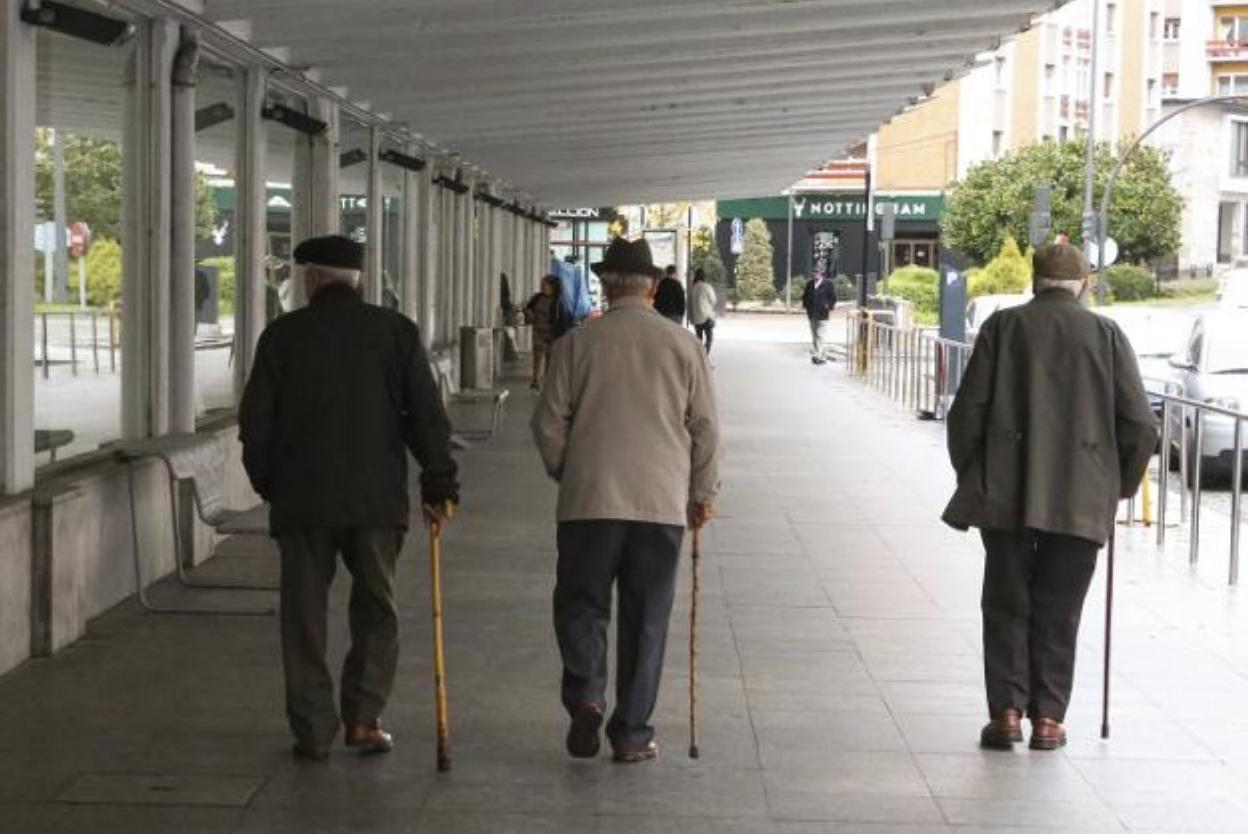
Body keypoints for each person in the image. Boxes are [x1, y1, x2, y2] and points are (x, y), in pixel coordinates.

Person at [239, 234, 459, 761]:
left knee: (304, 617)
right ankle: (363, 720)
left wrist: (272, 485)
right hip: (375, 503)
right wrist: (438, 485)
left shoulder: (282, 337)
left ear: (312, 278)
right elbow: (425, 417)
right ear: (358, 279)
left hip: (303, 503)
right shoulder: (395, 333)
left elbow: (255, 426)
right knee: (377, 608)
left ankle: (313, 730)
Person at [941, 243, 1157, 752]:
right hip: (1082, 496)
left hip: (1006, 493)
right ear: (1082, 284)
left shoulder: (1002, 328)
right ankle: (1049, 720)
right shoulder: (1106, 335)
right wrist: (1115, 488)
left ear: (1035, 281)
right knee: (1061, 608)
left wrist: (977, 474)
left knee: (1006, 602)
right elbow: (1141, 428)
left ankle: (1008, 713)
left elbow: (966, 414)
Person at [532, 237, 720, 764]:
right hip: (659, 505)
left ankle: (588, 693)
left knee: (580, 604)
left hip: (588, 501)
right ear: (654, 287)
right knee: (646, 617)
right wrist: (702, 494)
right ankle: (633, 733)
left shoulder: (576, 344)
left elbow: (547, 422)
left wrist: (568, 471)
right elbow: (706, 429)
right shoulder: (684, 347)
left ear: (606, 286)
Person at [525, 274, 565, 390]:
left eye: (545, 284)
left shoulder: (557, 302)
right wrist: (528, 313)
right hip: (538, 330)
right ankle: (535, 379)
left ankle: (548, 380)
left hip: (551, 332)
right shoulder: (537, 298)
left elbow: (561, 320)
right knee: (537, 355)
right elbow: (528, 307)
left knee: (550, 356)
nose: (543, 286)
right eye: (542, 284)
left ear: (553, 287)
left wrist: (559, 335)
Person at [801, 272, 837, 364]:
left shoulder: (828, 284)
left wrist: (829, 306)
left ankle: (820, 356)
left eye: (817, 272)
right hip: (812, 313)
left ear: (822, 274)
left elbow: (833, 297)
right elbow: (805, 296)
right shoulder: (810, 284)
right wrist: (806, 306)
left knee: (821, 335)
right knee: (814, 335)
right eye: (814, 272)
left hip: (823, 314)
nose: (815, 274)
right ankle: (817, 353)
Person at [688, 268, 718, 355]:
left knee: (699, 340)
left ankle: (699, 357)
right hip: (706, 318)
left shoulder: (692, 288)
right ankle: (705, 357)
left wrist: (690, 318)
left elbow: (689, 304)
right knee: (709, 339)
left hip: (696, 318)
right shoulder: (706, 286)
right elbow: (713, 301)